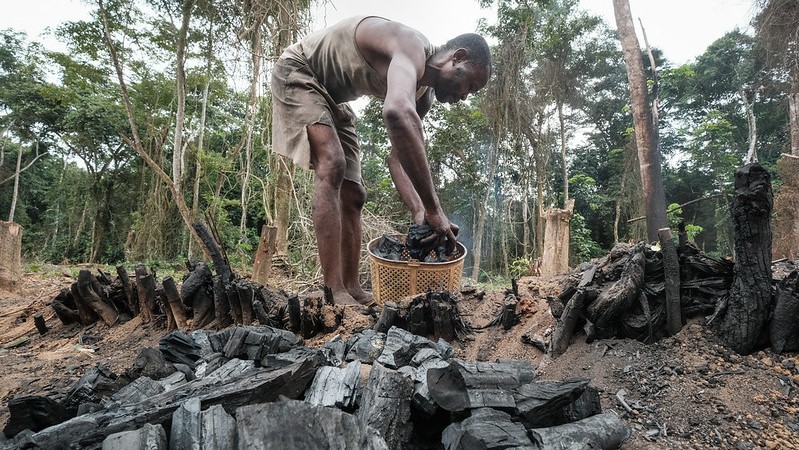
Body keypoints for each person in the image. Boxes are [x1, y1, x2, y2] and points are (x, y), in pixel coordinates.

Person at [271, 15, 491, 307]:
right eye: (470, 85)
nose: (464, 96)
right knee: (332, 163)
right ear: (456, 57)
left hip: (333, 101)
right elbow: (396, 112)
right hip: (300, 71)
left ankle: (352, 287)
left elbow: (397, 160)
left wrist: (419, 211)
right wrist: (434, 208)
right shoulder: (412, 46)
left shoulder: (423, 97)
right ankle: (333, 290)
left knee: (354, 194)